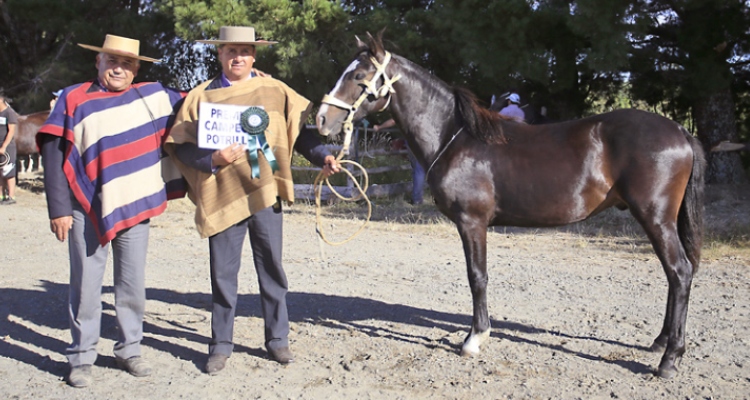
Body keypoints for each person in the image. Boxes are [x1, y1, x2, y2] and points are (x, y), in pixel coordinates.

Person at [165, 26, 340, 375]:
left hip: (265, 192)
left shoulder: (274, 92)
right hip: (222, 196)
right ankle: (220, 345)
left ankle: (277, 340)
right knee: (223, 274)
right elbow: (179, 144)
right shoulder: (200, 97)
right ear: (219, 54)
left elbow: (299, 132)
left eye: (244, 51)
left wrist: (323, 156)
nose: (238, 57)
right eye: (231, 51)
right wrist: (211, 160)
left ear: (254, 55)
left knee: (272, 268)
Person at [36, 34, 185, 388]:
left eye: (127, 63)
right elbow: (55, 154)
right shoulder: (74, 99)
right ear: (98, 62)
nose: (119, 68)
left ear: (136, 69)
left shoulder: (152, 97)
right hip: (85, 207)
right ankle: (82, 356)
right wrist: (58, 209)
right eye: (112, 61)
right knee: (86, 283)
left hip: (135, 204)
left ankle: (129, 349)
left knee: (132, 282)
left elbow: (198, 107)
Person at [373, 118, 425, 205]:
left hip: (412, 138)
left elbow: (393, 120)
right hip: (421, 138)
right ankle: (417, 198)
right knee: (419, 169)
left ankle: (417, 197)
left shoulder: (408, 107)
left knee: (417, 169)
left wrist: (379, 127)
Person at [0, 90, 18, 204]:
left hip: (7, 147)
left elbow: (11, 131)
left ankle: (11, 197)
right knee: (0, 172)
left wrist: (4, 146)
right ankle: (1, 196)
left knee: (8, 171)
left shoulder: (9, 112)